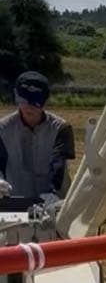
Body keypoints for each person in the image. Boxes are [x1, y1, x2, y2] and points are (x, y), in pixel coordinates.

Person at [0, 72, 75, 206]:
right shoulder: (2, 129)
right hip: (16, 202)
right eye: (24, 101)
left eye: (35, 103)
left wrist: (53, 191)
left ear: (45, 101)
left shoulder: (61, 128)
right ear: (16, 96)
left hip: (54, 202)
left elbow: (57, 163)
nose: (29, 107)